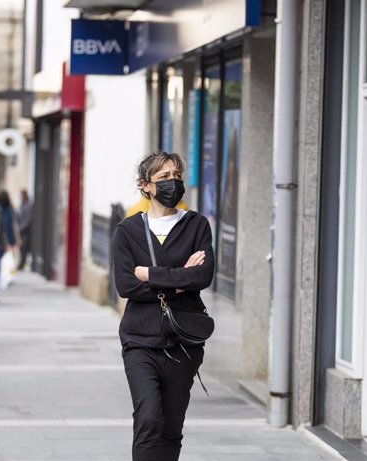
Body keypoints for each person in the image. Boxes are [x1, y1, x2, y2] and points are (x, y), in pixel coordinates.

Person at [112, 151, 214, 461]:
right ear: (146, 186)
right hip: (140, 341)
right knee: (148, 420)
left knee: (171, 427)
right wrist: (181, 277)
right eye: (164, 178)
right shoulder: (128, 231)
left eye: (176, 176)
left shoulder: (197, 225)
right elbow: (127, 286)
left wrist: (152, 274)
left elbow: (203, 275)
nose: (173, 183)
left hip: (183, 342)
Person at [17, 189, 33, 270]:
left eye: (20, 195)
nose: (19, 197)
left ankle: (22, 264)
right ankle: (22, 264)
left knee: (25, 248)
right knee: (22, 248)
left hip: (26, 232)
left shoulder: (29, 205)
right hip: (22, 231)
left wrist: (20, 229)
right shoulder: (22, 205)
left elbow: (27, 220)